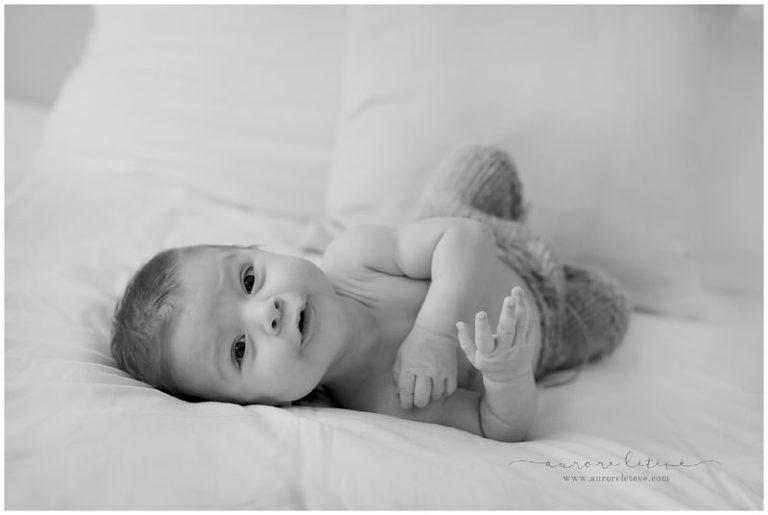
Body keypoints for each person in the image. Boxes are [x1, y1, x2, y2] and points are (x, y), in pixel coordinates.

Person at [110, 146, 631, 442]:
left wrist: (432, 335)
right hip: (545, 320)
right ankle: (566, 289)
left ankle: (500, 209)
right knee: (613, 312)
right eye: (239, 350)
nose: (265, 312)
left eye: (248, 280)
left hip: (477, 236)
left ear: (263, 250)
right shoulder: (390, 402)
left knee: (481, 166)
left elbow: (467, 239)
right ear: (271, 404)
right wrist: (508, 374)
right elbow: (498, 428)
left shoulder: (352, 258)